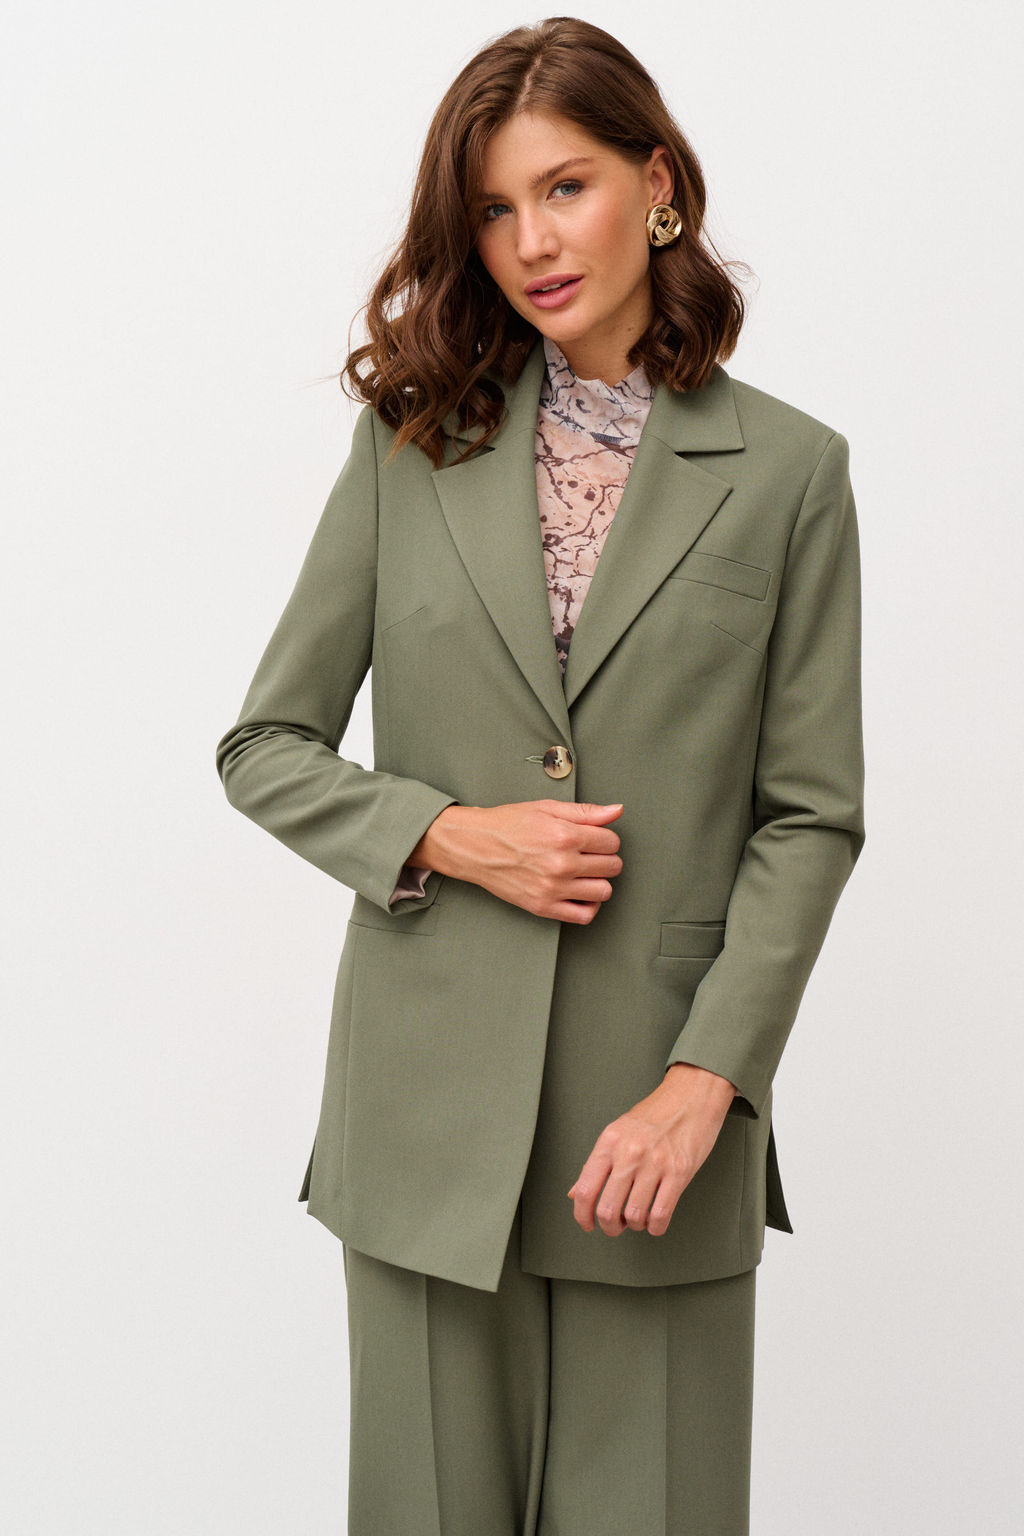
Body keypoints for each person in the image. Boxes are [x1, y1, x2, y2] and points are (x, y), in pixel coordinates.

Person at [215, 16, 865, 1535]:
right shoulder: (408, 445)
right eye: (495, 208)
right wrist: (451, 834)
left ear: (658, 186)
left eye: (565, 188)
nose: (530, 243)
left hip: (657, 1122)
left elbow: (811, 815)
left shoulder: (791, 473)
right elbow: (265, 748)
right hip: (425, 1127)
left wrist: (707, 1084)